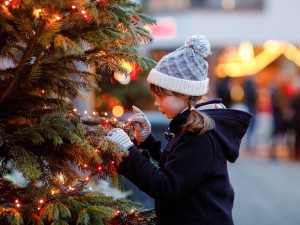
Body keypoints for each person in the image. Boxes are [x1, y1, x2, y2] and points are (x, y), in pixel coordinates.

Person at [105, 35, 252, 225]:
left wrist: (128, 151)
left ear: (183, 93)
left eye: (161, 96)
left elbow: (167, 187)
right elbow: (177, 170)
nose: (156, 103)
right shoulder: (192, 126)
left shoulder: (201, 136)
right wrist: (146, 142)